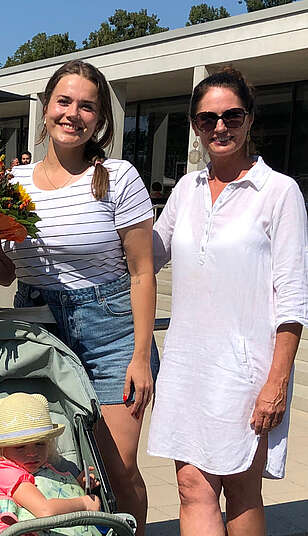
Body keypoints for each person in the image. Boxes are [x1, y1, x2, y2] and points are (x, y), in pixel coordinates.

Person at [0, 60, 158, 536]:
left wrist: (140, 357)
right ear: (45, 109)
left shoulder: (118, 177)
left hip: (110, 329)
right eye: (64, 102)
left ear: (100, 119)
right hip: (37, 327)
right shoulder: (13, 185)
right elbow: (4, 272)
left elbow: (143, 273)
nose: (73, 114)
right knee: (51, 463)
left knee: (116, 467)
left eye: (87, 106)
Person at [148, 67, 307, 536]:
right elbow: (148, 254)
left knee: (240, 489)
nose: (219, 127)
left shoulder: (278, 192)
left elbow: (293, 296)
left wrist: (276, 382)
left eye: (231, 116)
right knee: (191, 487)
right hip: (186, 366)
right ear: (195, 127)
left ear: (250, 119)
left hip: (246, 371)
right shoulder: (186, 189)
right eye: (206, 119)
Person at [0, 393, 101, 536]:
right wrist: (84, 503)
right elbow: (45, 510)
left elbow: (53, 495)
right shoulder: (7, 473)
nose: (32, 453)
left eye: (39, 444)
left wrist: (76, 487)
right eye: (20, 447)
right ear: (1, 449)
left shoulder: (35, 468)